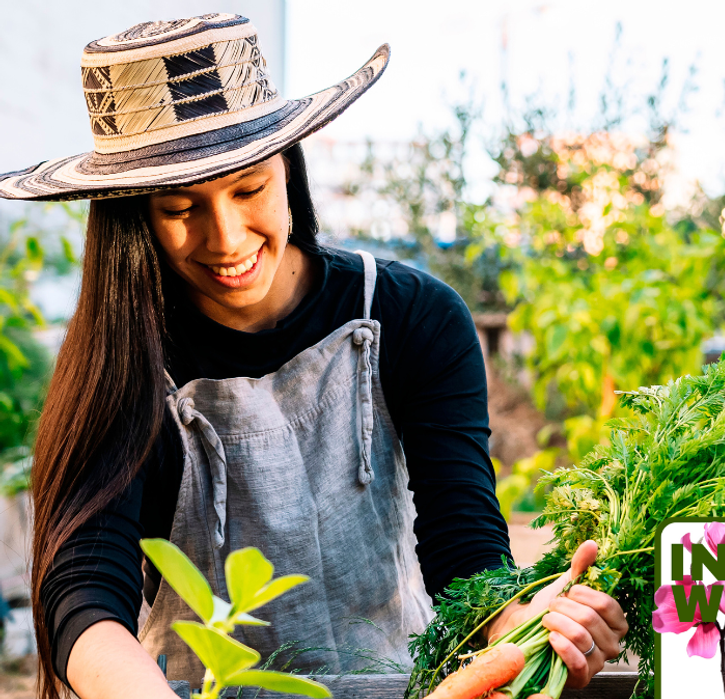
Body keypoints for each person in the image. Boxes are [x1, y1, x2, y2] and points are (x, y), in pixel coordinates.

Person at [0, 14, 626, 699]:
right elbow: (86, 592)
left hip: (404, 687)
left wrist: (524, 624)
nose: (226, 238)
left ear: (288, 167)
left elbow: (464, 549)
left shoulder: (412, 316)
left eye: (249, 190)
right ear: (136, 218)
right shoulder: (121, 358)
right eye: (180, 208)